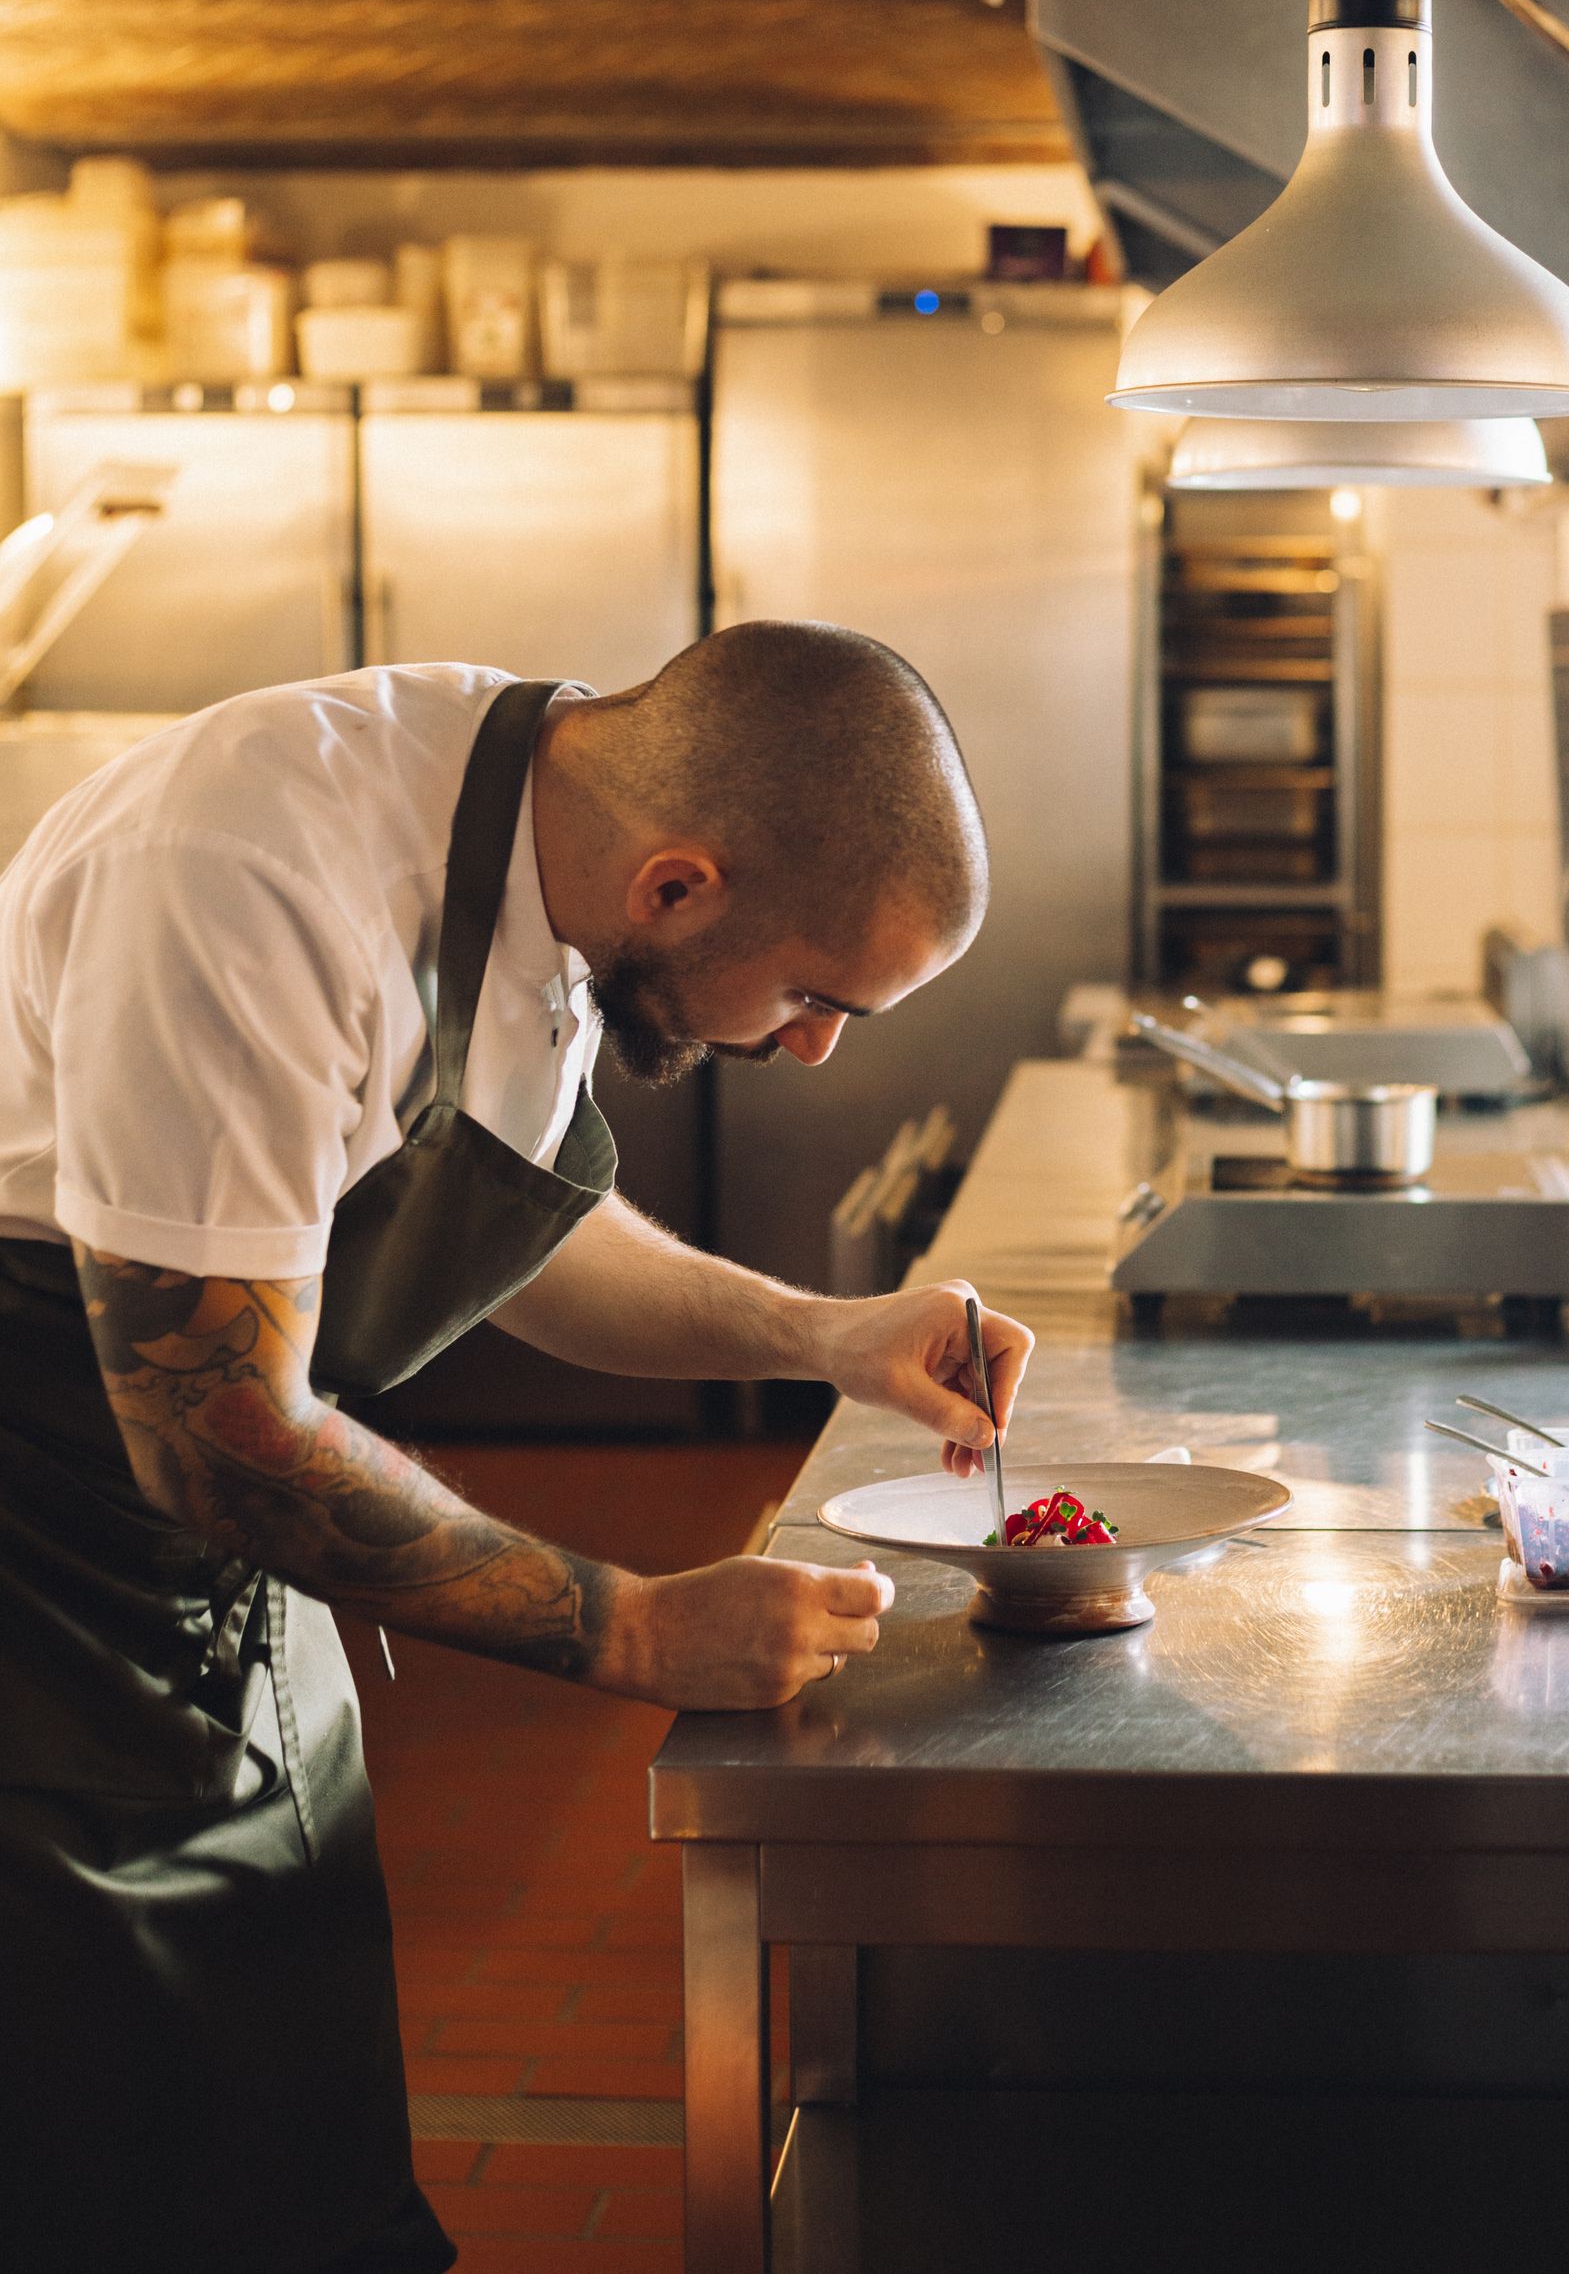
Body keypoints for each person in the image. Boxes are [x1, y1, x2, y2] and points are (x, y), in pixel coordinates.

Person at [0, 623, 1033, 2273]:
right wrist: (631, 1622)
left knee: (301, 2087)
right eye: (819, 996)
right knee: (118, 2145)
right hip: (43, 1553)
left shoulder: (554, 821)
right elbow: (221, 1430)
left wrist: (819, 1332)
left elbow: (512, 1221)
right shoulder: (247, 880)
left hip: (226, 1552)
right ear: (681, 889)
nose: (817, 1046)